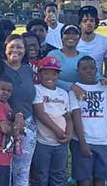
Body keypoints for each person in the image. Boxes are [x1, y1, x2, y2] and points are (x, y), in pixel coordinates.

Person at [70, 56, 107, 186]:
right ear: (78, 71)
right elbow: (76, 117)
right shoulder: (75, 90)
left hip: (103, 140)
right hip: (82, 141)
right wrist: (82, 142)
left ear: (97, 69)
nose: (88, 71)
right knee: (83, 178)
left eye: (92, 68)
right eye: (84, 68)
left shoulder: (104, 88)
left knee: (100, 177)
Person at [31, 56, 73, 186]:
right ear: (39, 73)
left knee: (58, 174)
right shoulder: (37, 89)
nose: (50, 76)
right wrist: (58, 131)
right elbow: (40, 114)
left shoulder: (63, 93)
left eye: (54, 73)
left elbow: (68, 116)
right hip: (43, 142)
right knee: (40, 175)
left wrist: (69, 135)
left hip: (61, 143)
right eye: (46, 73)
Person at [3, 34, 37, 186]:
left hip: (27, 126)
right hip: (3, 126)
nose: (15, 50)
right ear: (5, 49)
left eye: (19, 47)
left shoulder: (28, 70)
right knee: (4, 170)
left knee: (22, 170)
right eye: (11, 47)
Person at [47, 24, 87, 97]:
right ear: (62, 37)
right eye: (67, 33)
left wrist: (102, 80)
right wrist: (71, 86)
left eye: (75, 33)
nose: (71, 36)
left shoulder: (85, 57)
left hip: (80, 97)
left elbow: (94, 75)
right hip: (57, 98)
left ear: (79, 37)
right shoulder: (52, 55)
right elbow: (48, 78)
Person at [76, 6, 107, 75]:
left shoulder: (104, 41)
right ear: (79, 24)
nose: (88, 23)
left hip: (97, 83)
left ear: (96, 23)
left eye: (92, 20)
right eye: (85, 21)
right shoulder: (74, 42)